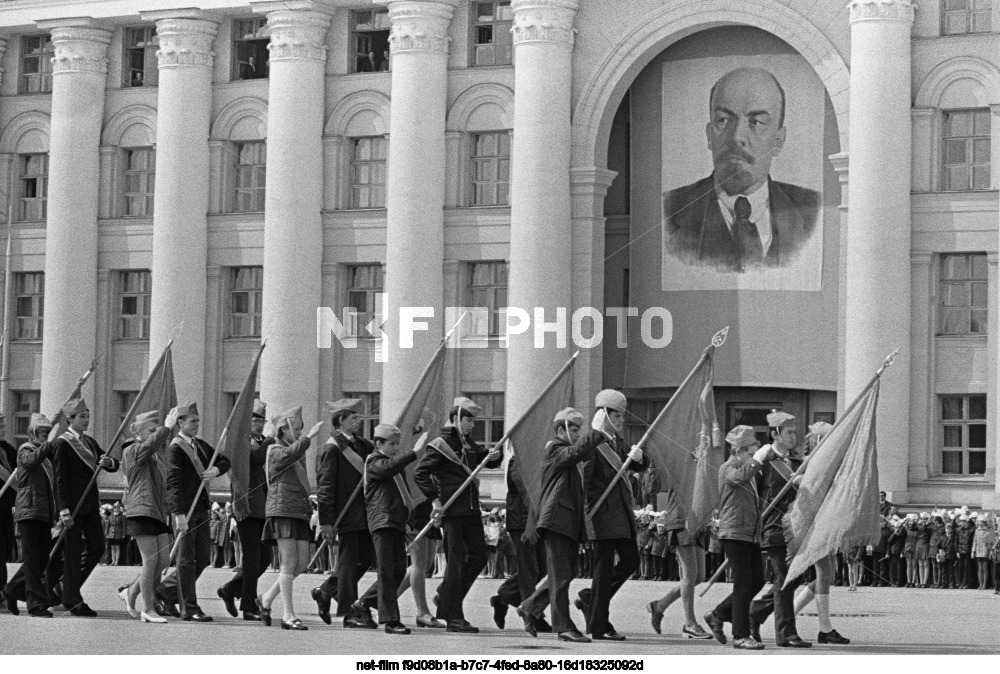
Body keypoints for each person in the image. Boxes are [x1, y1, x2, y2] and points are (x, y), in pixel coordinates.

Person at [662, 68, 819, 273]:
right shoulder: (668, 211)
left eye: (756, 122)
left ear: (779, 141)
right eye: (724, 120)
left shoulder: (813, 210)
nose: (737, 137)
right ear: (710, 135)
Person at [413, 397, 502, 633]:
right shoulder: (441, 444)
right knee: (455, 561)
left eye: (474, 420)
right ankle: (452, 616)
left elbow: (489, 462)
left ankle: (446, 596)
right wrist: (435, 499)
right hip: (452, 510)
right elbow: (420, 473)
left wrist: (496, 456)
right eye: (468, 420)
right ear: (456, 419)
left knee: (480, 556)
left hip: (471, 509)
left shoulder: (471, 445)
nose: (472, 425)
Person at [516, 407, 601, 643]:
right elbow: (575, 453)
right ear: (561, 429)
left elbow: (579, 454)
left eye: (579, 430)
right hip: (556, 520)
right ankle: (563, 625)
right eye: (573, 429)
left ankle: (530, 606)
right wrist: (597, 432)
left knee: (564, 573)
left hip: (568, 520)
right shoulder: (554, 448)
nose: (577, 433)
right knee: (561, 575)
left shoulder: (568, 452)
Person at [574, 389, 649, 641]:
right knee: (603, 571)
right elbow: (585, 482)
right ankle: (598, 624)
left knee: (631, 562)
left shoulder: (617, 442)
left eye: (622, 415)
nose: (621, 420)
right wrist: (588, 517)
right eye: (616, 415)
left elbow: (634, 464)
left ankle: (590, 599)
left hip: (622, 514)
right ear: (604, 414)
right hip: (602, 516)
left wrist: (641, 459)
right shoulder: (593, 443)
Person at [154, 402, 230, 622]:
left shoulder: (200, 445)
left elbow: (224, 460)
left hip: (201, 508)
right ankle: (190, 608)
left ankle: (164, 592)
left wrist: (216, 470)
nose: (196, 425)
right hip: (186, 510)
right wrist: (178, 515)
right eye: (192, 421)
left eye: (197, 421)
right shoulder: (175, 448)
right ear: (180, 423)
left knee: (203, 558)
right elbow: (173, 482)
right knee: (185, 560)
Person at [703, 425, 772, 650]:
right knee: (743, 584)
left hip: (749, 534)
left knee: (757, 581)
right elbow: (739, 478)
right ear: (738, 451)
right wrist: (758, 460)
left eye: (755, 453)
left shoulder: (749, 470)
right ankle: (740, 635)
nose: (754, 457)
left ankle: (718, 614)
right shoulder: (728, 468)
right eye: (751, 453)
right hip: (733, 532)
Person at [746, 412, 811, 648]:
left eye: (795, 432)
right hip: (772, 527)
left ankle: (753, 612)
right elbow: (748, 489)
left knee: (796, 577)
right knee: (784, 578)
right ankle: (786, 633)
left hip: (794, 529)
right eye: (789, 432)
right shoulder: (763, 460)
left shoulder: (796, 463)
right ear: (775, 434)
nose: (794, 436)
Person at [783, 421, 850, 644]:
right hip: (808, 524)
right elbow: (799, 485)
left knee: (829, 575)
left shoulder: (822, 466)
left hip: (821, 523)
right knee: (825, 574)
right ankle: (824, 628)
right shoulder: (805, 464)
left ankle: (788, 614)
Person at [52, 397, 120, 616]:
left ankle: (67, 587)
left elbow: (110, 462)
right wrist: (63, 510)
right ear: (70, 419)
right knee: (72, 553)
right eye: (82, 416)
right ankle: (73, 599)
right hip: (72, 507)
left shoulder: (89, 442)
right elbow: (59, 479)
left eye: (88, 416)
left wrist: (109, 462)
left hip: (90, 505)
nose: (86, 420)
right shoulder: (63, 443)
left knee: (98, 547)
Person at [256, 407, 323, 630]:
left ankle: (266, 599)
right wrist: (308, 438)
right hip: (282, 508)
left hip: (298, 509)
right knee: (289, 563)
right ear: (282, 430)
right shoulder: (275, 449)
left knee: (301, 563)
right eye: (295, 429)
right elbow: (288, 455)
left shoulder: (295, 450)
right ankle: (288, 614)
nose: (299, 432)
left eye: (301, 429)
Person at [312, 398, 376, 628]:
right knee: (348, 563)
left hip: (365, 512)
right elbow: (325, 486)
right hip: (346, 513)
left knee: (367, 557)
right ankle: (349, 612)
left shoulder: (363, 445)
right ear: (341, 421)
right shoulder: (332, 447)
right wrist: (326, 521)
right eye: (354, 418)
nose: (358, 421)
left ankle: (327, 590)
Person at [355, 423, 417, 634]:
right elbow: (389, 467)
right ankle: (391, 620)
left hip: (395, 522)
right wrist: (412, 453)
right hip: (381, 521)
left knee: (398, 570)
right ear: (378, 443)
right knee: (387, 571)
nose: (395, 447)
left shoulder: (392, 467)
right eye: (391, 444)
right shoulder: (374, 462)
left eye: (397, 444)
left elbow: (401, 494)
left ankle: (363, 604)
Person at [119, 409, 178, 623]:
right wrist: (167, 427)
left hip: (158, 512)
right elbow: (149, 445)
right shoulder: (133, 449)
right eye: (151, 430)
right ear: (139, 432)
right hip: (141, 508)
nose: (157, 433)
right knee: (151, 560)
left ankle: (131, 591)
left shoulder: (154, 455)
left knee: (163, 561)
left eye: (157, 429)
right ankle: (148, 608)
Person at [218, 399, 273, 621]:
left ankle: (231, 589)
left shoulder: (260, 441)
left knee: (265, 558)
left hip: (263, 505)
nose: (259, 424)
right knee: (252, 558)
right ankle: (249, 606)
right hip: (246, 505)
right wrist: (269, 443)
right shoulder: (240, 443)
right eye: (255, 420)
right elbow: (255, 462)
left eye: (262, 420)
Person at [2, 414, 57, 617]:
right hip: (29, 510)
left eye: (47, 433)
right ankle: (35, 605)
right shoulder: (26, 449)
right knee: (34, 560)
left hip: (43, 512)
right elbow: (31, 461)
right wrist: (49, 444)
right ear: (33, 433)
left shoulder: (46, 456)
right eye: (42, 433)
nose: (45, 436)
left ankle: (11, 590)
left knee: (41, 559)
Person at [490, 455, 550, 633]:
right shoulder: (520, 457)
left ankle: (502, 598)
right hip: (522, 520)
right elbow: (521, 487)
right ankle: (533, 615)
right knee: (528, 570)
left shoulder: (539, 457)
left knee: (541, 567)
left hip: (537, 519)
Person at [396, 412, 445, 629]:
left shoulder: (429, 455)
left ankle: (384, 602)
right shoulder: (407, 455)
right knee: (418, 563)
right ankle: (422, 612)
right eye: (420, 429)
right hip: (415, 511)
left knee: (424, 564)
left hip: (430, 510)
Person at [646, 487, 713, 639]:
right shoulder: (683, 465)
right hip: (682, 520)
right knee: (690, 574)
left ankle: (659, 605)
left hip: (698, 521)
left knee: (699, 576)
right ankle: (690, 623)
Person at [0, 414, 18, 596]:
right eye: (0, 426)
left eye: (3, 425)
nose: (3, 428)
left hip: (4, 508)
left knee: (4, 550)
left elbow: (18, 477)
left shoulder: (9, 450)